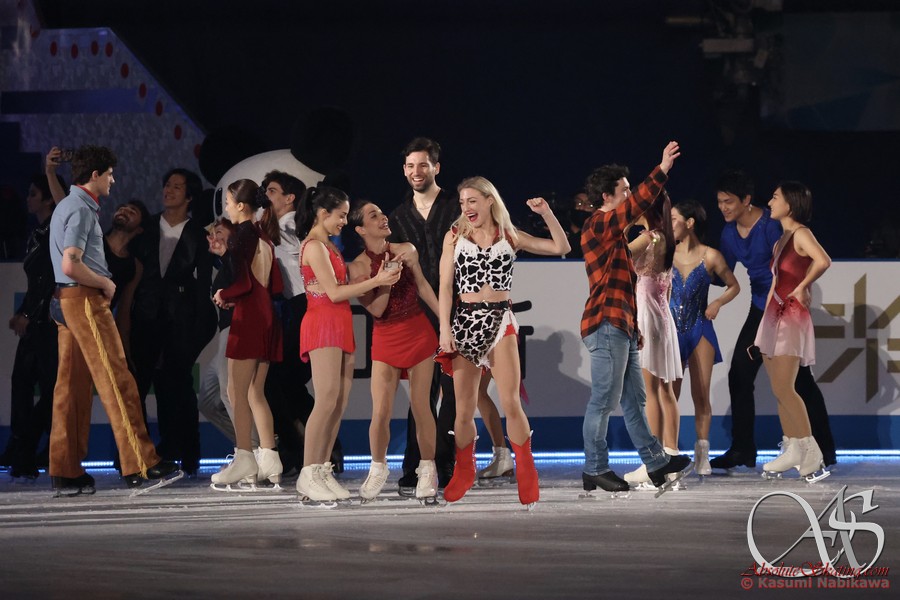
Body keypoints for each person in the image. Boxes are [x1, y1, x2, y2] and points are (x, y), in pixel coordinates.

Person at [47, 144, 178, 495]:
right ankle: (142, 462)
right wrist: (105, 283)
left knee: (71, 388)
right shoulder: (81, 209)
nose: (113, 180)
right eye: (109, 174)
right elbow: (71, 262)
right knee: (116, 379)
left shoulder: (66, 206)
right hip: (85, 300)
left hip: (66, 300)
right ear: (95, 175)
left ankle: (66, 470)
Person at [436, 176, 570, 506]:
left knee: (510, 402)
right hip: (465, 322)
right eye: (463, 202)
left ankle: (526, 468)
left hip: (500, 322)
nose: (466, 207)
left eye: (472, 201)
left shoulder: (510, 235)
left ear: (489, 201)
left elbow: (561, 248)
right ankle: (464, 469)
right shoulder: (454, 236)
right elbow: (444, 287)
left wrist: (547, 214)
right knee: (463, 409)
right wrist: (444, 330)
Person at [580, 142, 692, 495]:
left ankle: (656, 462)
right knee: (604, 400)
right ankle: (595, 468)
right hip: (605, 324)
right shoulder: (599, 223)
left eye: (630, 190)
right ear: (606, 196)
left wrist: (633, 328)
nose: (630, 196)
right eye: (624, 190)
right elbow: (636, 205)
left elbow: (626, 284)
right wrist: (662, 169)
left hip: (621, 325)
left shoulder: (615, 234)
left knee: (634, 400)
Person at [710, 170, 837, 470]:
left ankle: (820, 449)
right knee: (741, 373)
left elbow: (800, 262)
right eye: (720, 202)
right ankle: (744, 449)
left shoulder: (772, 226)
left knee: (797, 382)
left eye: (729, 201)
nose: (723, 207)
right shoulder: (730, 233)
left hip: (785, 308)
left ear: (746, 200)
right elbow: (724, 273)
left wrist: (802, 287)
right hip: (763, 308)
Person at [295, 185, 401, 502]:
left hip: (340, 322)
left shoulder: (330, 246)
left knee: (338, 402)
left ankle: (322, 469)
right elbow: (334, 292)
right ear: (322, 213)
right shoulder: (315, 246)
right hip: (323, 323)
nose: (344, 221)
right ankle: (307, 473)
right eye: (340, 216)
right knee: (326, 399)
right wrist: (378, 281)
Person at [348, 200, 441, 501]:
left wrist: (446, 324)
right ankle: (378, 467)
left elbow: (423, 287)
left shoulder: (407, 249)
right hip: (386, 338)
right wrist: (386, 280)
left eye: (381, 212)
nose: (383, 217)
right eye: (373, 215)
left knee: (421, 406)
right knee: (381, 411)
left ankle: (427, 469)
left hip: (418, 332)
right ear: (361, 229)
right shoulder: (358, 267)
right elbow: (377, 309)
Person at [130, 169, 217, 476]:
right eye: (167, 185)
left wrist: (198, 325)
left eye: (177, 187)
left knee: (177, 385)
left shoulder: (199, 234)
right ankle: (136, 453)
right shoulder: (146, 227)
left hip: (180, 319)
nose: (169, 190)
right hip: (145, 315)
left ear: (189, 196)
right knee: (137, 385)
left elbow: (204, 283)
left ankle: (185, 451)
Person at [388, 137, 461, 494]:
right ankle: (415, 464)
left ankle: (445, 462)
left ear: (436, 167)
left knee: (453, 391)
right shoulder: (396, 216)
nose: (416, 171)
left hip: (458, 310)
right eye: (410, 166)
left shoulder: (458, 207)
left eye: (422, 165)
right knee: (421, 394)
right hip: (416, 314)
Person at [754, 182, 832, 479]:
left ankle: (811, 451)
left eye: (775, 197)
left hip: (792, 318)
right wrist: (764, 324)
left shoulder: (801, 233)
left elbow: (823, 260)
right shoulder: (780, 240)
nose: (770, 202)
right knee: (778, 389)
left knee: (786, 387)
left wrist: (803, 286)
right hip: (774, 317)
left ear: (790, 204)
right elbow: (775, 282)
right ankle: (793, 447)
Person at [211, 179, 284, 487]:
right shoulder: (263, 234)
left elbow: (243, 283)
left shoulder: (242, 235)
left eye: (229, 202)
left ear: (241, 205)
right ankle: (270, 459)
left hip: (250, 318)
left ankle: (244, 458)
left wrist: (223, 293)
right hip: (268, 315)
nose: (227, 208)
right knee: (255, 392)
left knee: (236, 392)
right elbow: (274, 285)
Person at [669, 199, 740, 476]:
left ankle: (702, 453)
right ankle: (670, 452)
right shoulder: (665, 253)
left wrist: (718, 303)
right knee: (670, 395)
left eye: (673, 219)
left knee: (701, 394)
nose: (668, 223)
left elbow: (733, 286)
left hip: (700, 329)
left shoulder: (711, 256)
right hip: (671, 331)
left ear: (689, 223)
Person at [2, 172, 64, 478]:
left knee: (50, 388)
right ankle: (21, 447)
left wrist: (30, 313)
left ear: (49, 199)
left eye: (33, 194)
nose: (28, 199)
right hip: (37, 319)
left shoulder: (55, 231)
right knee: (23, 383)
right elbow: (36, 282)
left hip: (50, 321)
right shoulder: (38, 231)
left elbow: (51, 279)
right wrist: (24, 312)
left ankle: (28, 447)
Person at [621, 190, 683, 486]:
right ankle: (671, 456)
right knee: (664, 389)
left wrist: (622, 228)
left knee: (651, 391)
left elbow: (615, 257)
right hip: (662, 315)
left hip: (647, 314)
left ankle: (655, 463)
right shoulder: (665, 238)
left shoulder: (648, 238)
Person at [259, 170, 314, 476]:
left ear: (290, 198)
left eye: (272, 191)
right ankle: (314, 447)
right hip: (291, 307)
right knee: (285, 382)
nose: (266, 196)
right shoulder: (276, 226)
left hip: (302, 306)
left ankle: (300, 447)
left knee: (277, 380)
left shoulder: (291, 225)